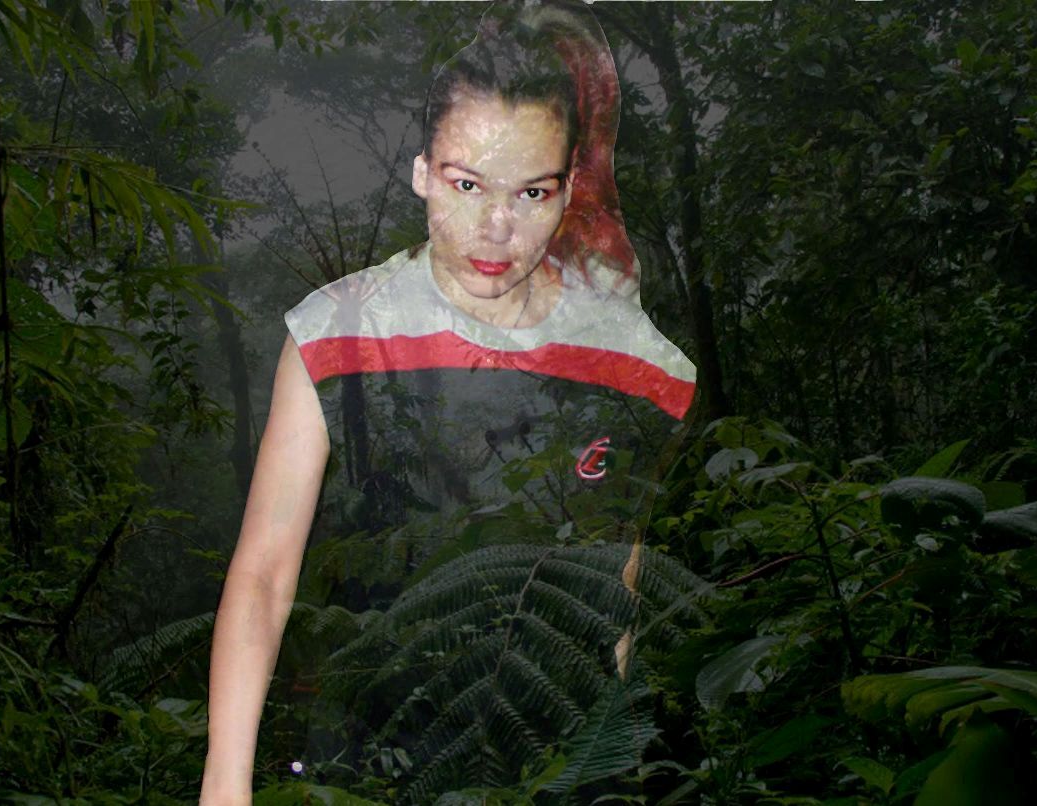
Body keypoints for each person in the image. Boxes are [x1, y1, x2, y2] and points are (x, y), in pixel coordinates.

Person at [200, 2, 696, 803]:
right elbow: (263, 574)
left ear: (569, 189)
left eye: (531, 193)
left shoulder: (629, 359)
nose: (497, 227)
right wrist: (224, 786)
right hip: (374, 758)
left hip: (556, 764)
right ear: (423, 173)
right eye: (468, 184)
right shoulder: (339, 332)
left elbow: (621, 583)